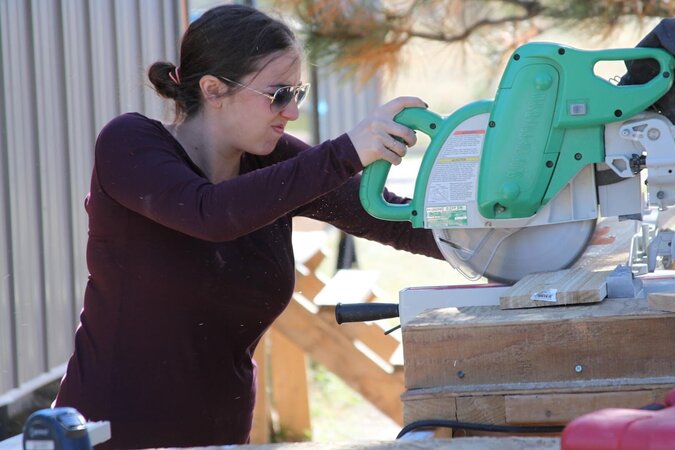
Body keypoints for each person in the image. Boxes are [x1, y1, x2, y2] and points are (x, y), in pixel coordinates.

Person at [53, 5, 442, 449]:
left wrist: (493, 233)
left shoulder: (271, 161)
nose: (292, 111)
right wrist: (346, 152)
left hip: (223, 438)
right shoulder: (128, 144)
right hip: (108, 438)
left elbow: (393, 219)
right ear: (214, 90)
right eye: (279, 95)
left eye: (298, 93)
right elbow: (211, 213)